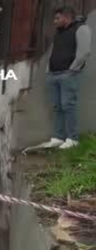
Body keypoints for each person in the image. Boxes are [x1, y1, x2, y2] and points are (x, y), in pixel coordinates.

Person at [44, 6, 92, 150]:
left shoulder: (81, 29)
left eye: (57, 18)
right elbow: (53, 52)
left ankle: (73, 138)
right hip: (54, 74)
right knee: (57, 107)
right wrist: (48, 69)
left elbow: (84, 52)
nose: (55, 21)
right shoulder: (59, 33)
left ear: (66, 17)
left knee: (68, 106)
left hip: (68, 74)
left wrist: (72, 70)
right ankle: (58, 137)